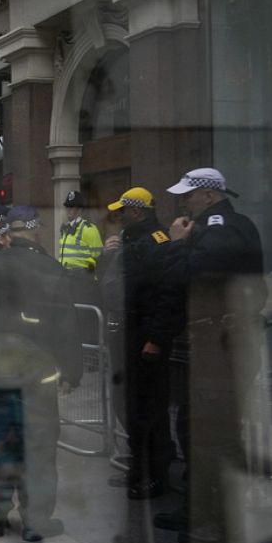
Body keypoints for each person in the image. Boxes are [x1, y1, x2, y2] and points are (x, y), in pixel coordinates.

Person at [157, 168, 265, 543]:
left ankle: (224, 523)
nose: (183, 200)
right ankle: (198, 509)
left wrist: (177, 244)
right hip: (216, 342)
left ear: (207, 194)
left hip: (222, 344)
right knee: (194, 427)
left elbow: (184, 276)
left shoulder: (220, 229)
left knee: (215, 436)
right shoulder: (220, 227)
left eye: (188, 194)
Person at [0, 206, 82, 542]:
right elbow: (66, 326)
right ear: (33, 230)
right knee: (38, 446)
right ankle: (35, 521)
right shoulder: (50, 268)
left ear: (7, 233)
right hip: (37, 372)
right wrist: (71, 371)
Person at [98, 187, 183, 500]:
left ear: (136, 211)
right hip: (126, 335)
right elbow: (108, 282)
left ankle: (152, 475)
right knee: (129, 406)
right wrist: (106, 255)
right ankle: (140, 468)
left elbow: (166, 295)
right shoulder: (130, 241)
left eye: (122, 211)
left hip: (144, 336)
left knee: (147, 409)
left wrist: (155, 338)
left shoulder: (156, 242)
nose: (117, 217)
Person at [57, 190, 104, 273]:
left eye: (72, 207)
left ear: (79, 209)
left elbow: (98, 257)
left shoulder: (89, 229)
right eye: (67, 206)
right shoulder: (66, 228)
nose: (68, 209)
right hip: (65, 276)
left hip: (82, 278)